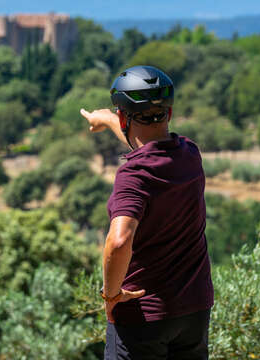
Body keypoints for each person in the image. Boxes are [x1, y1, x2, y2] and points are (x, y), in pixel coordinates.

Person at [80, 65, 214, 360]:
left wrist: (111, 295)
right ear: (168, 114)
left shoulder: (133, 176)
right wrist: (105, 118)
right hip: (194, 310)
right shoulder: (190, 154)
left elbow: (118, 242)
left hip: (142, 317)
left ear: (124, 116)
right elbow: (148, 143)